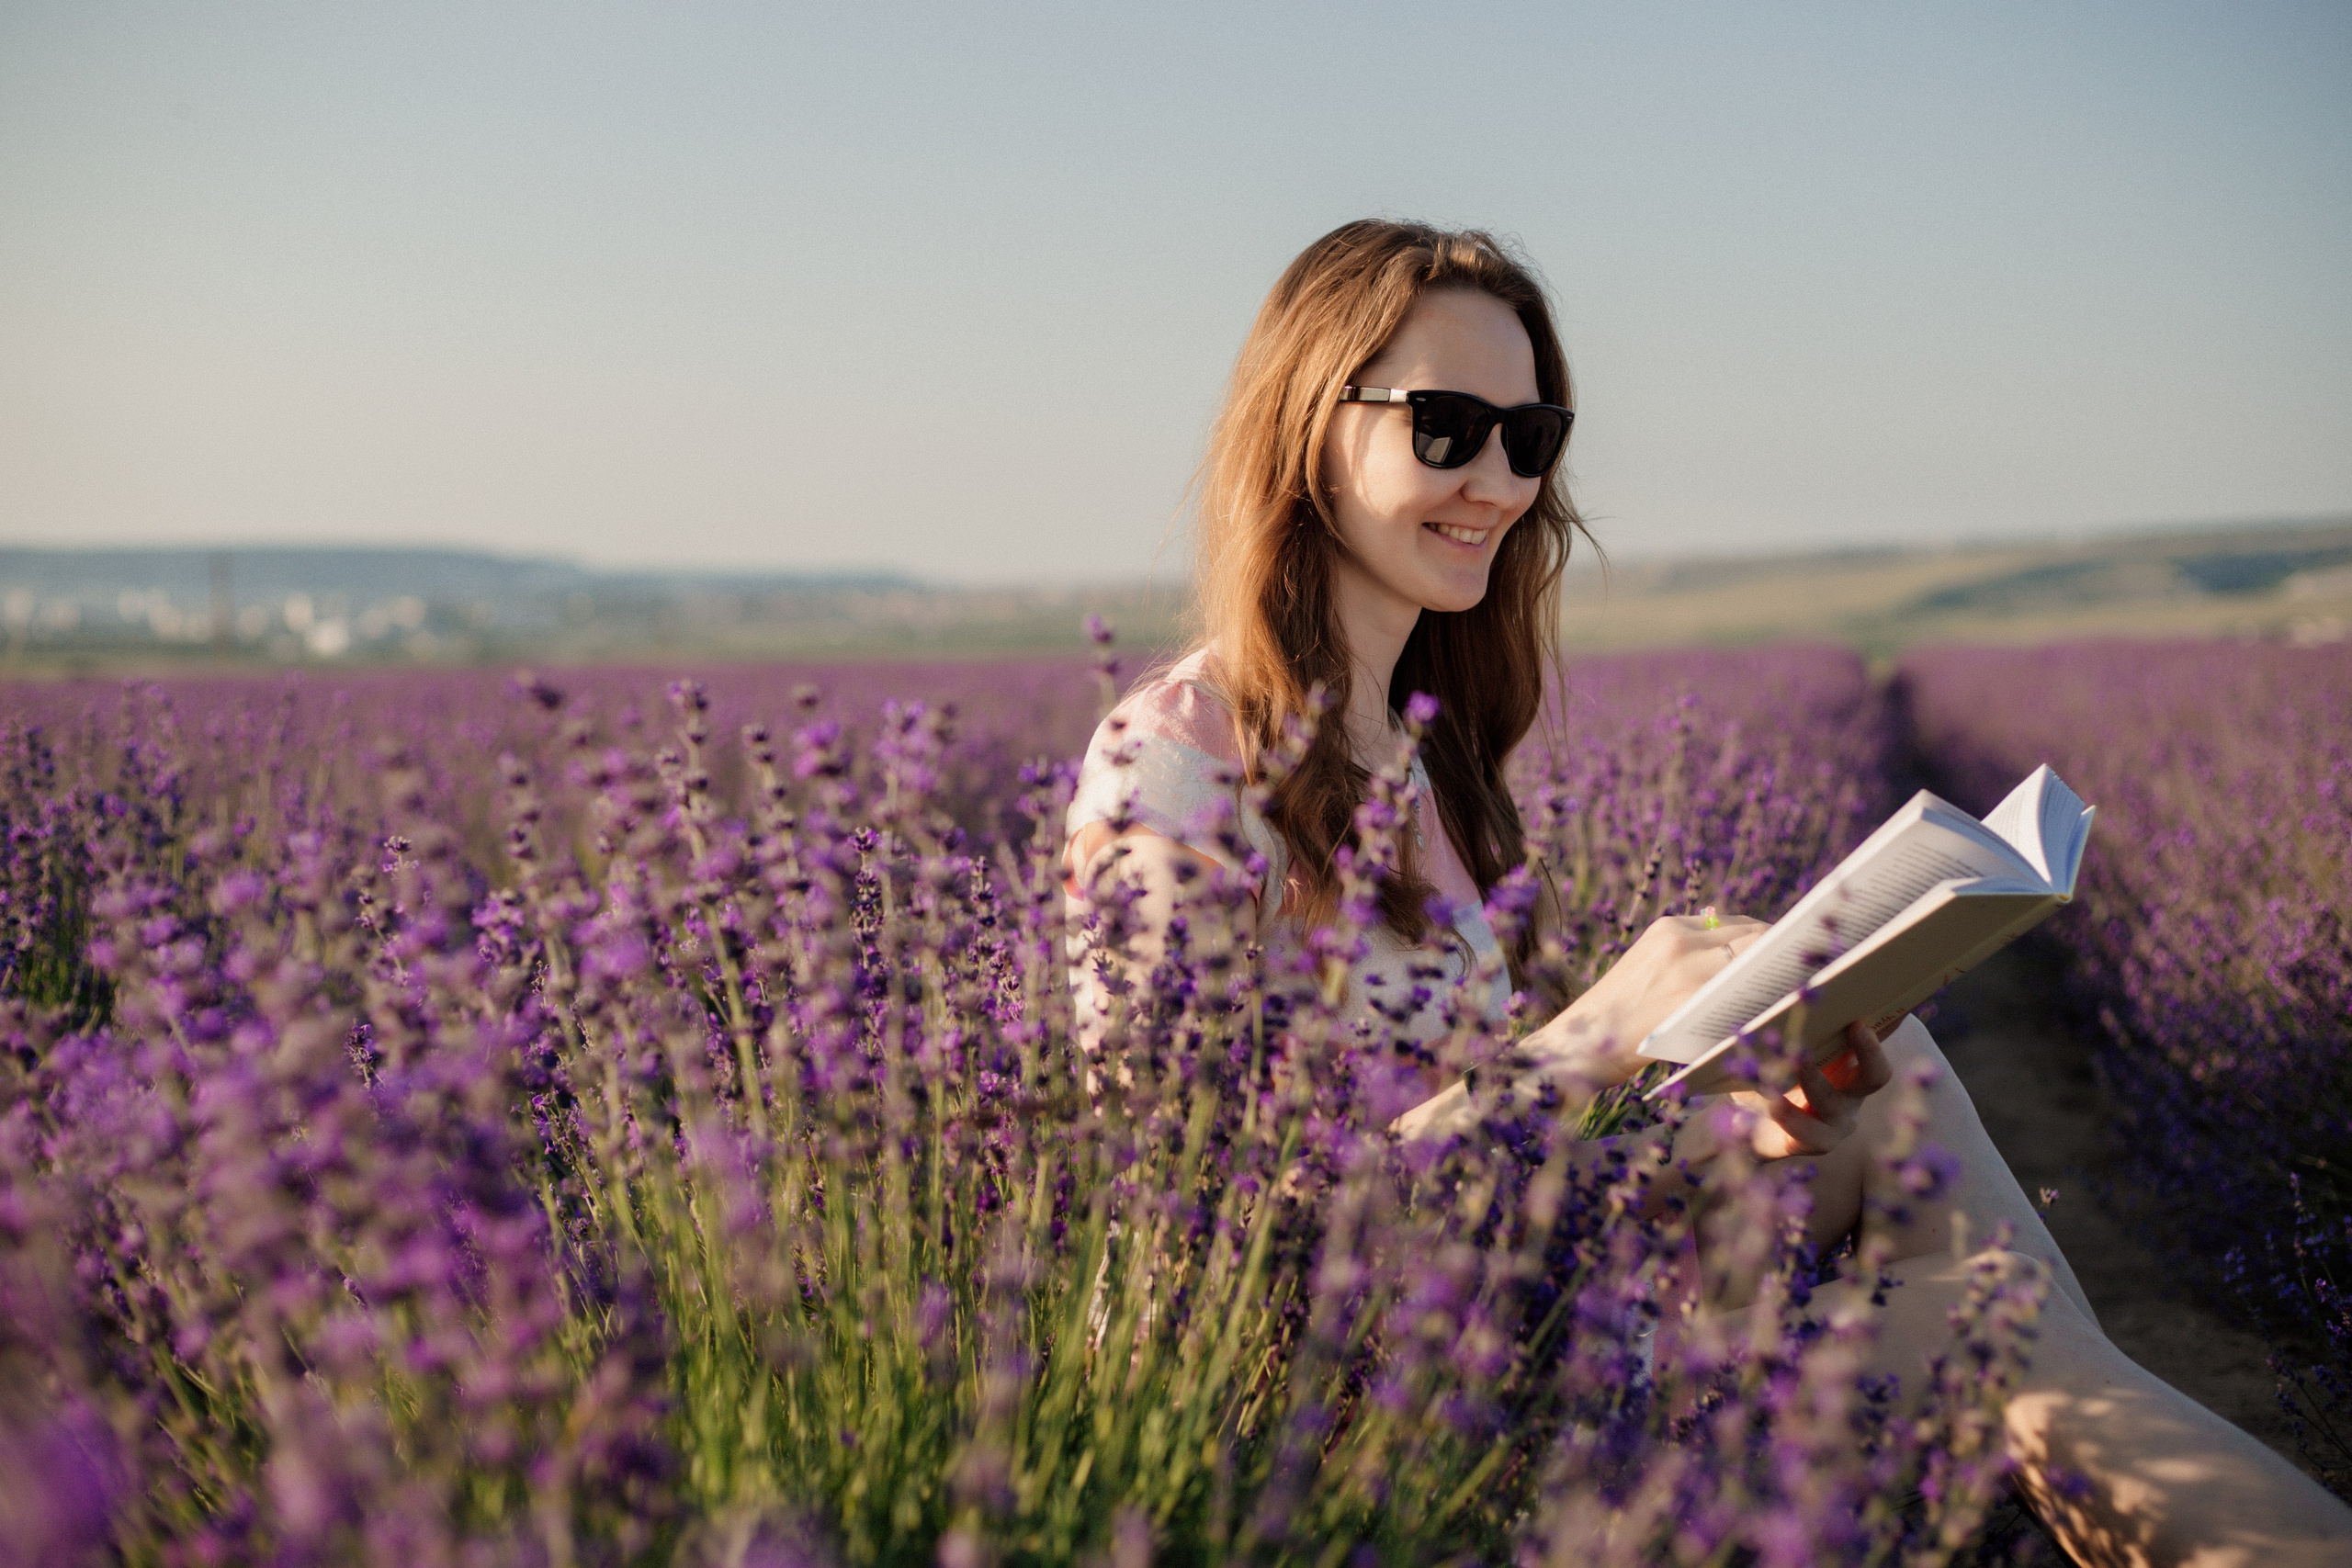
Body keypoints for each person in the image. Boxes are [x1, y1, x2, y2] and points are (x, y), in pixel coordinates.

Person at [1063, 219, 2352, 1566]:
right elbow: (1200, 1249)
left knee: (1893, 1078)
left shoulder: (1421, 764)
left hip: (1479, 1301)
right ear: (1305, 428)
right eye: (1443, 426)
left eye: (1530, 435)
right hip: (1319, 1417)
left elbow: (1471, 1160)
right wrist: (1592, 1040)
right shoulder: (1177, 763)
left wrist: (1721, 1102)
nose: (1495, 479)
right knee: (1996, 1328)